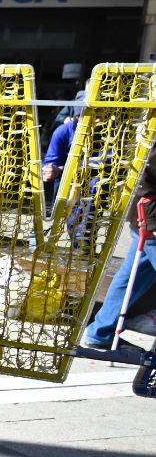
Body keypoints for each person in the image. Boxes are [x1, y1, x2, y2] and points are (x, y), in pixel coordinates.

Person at [84, 142, 156, 349]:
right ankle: (101, 332)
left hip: (147, 215)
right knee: (132, 276)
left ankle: (101, 332)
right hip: (151, 216)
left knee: (133, 276)